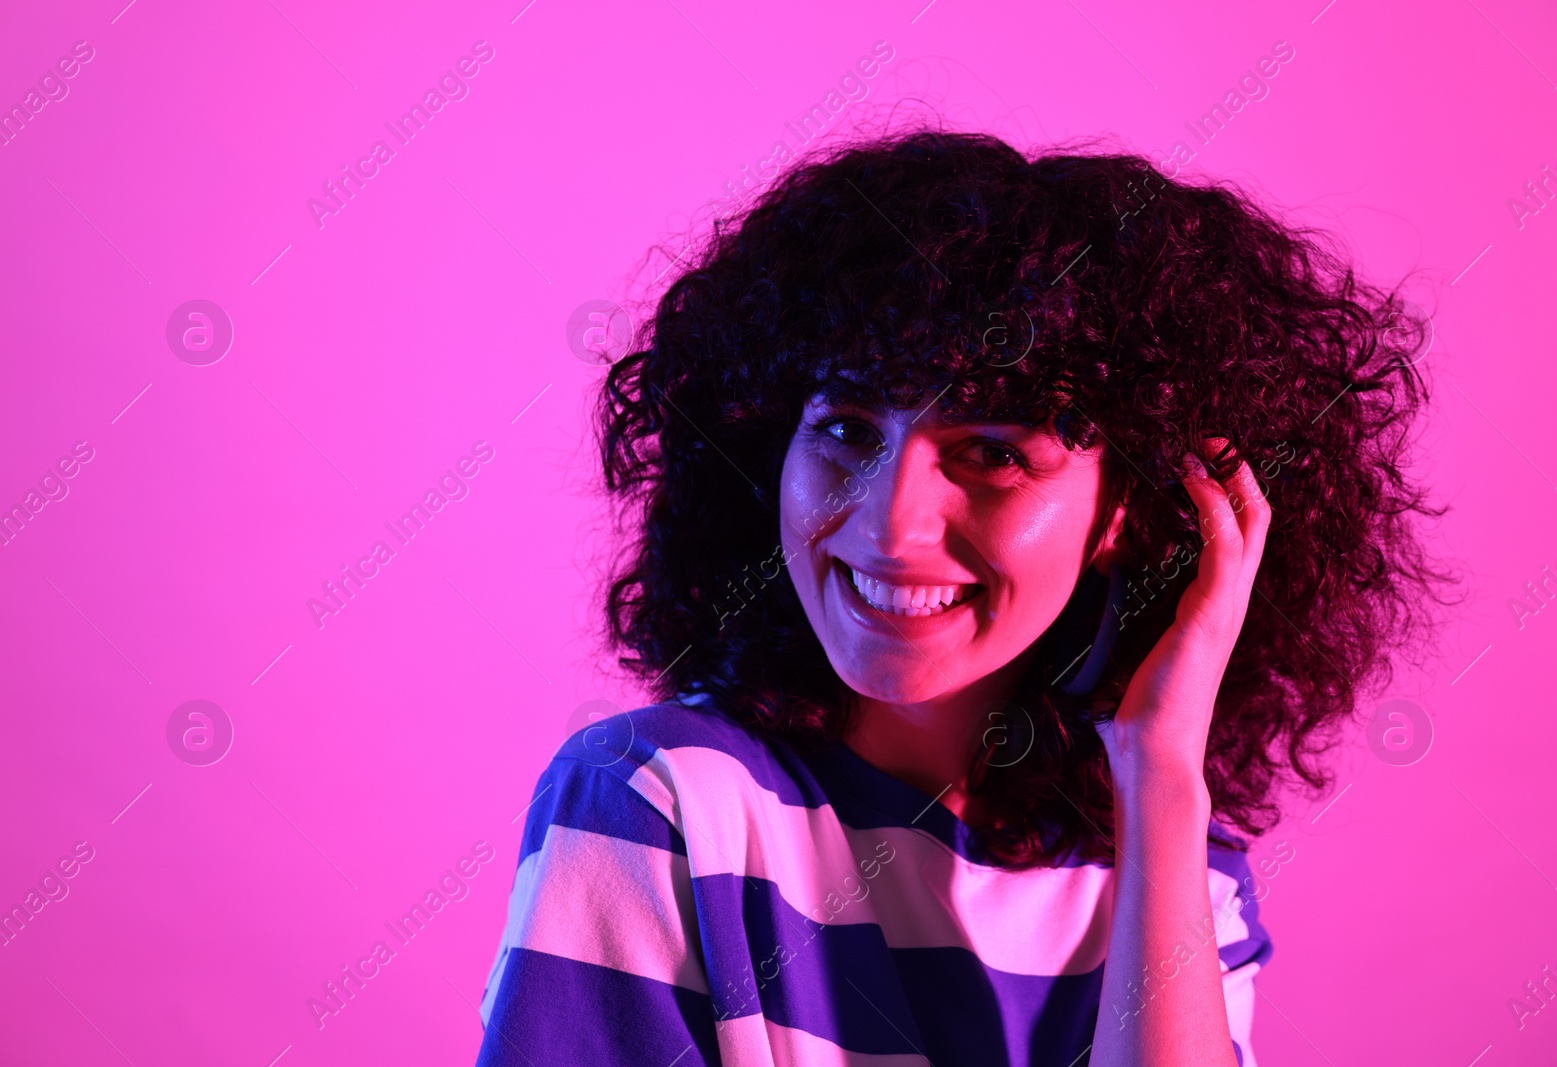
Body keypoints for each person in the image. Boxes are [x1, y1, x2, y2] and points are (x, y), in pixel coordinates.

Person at [472, 129, 1447, 1066]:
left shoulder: (1174, 871)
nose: (892, 525)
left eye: (993, 452)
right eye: (849, 430)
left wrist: (1160, 772)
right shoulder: (657, 799)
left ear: (1128, 514)